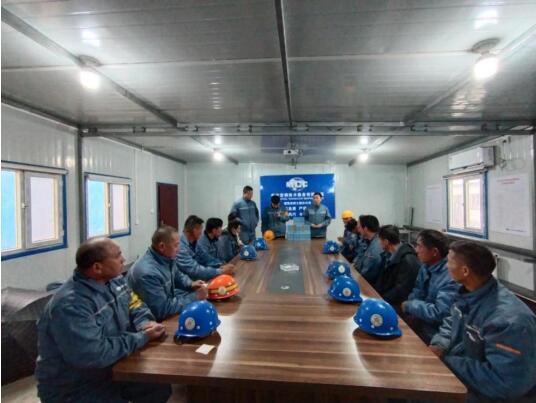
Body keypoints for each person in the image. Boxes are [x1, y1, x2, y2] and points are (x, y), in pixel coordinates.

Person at [35, 238, 171, 403]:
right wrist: (142, 337)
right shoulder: (71, 306)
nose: (123, 260)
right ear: (97, 268)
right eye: (117, 256)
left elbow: (134, 304)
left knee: (158, 387)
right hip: (75, 388)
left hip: (110, 369)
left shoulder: (115, 280)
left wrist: (144, 323)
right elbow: (94, 354)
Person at [429, 241, 536, 402]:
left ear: (465, 271)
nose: (445, 266)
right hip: (464, 374)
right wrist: (440, 344)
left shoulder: (509, 321)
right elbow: (452, 321)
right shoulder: (467, 293)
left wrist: (448, 361)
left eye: (449, 262)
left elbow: (504, 383)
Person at [128, 226, 208, 322]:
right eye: (176, 245)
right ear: (162, 246)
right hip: (153, 322)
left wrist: (190, 284)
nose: (179, 249)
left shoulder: (166, 257)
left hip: (167, 308)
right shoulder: (147, 273)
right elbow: (162, 310)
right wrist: (195, 297)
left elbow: (177, 275)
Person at [401, 230, 458, 342]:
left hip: (434, 333)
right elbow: (417, 290)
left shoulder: (450, 276)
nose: (416, 250)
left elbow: (439, 313)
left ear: (434, 252)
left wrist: (410, 306)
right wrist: (411, 310)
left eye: (419, 246)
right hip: (419, 322)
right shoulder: (426, 266)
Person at [177, 215, 235, 281]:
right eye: (200, 229)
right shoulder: (181, 247)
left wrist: (221, 265)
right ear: (194, 230)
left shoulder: (195, 242)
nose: (201, 232)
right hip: (190, 282)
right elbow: (195, 270)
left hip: (199, 278)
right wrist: (220, 271)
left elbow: (206, 258)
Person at [375, 225, 421, 305]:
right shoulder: (388, 254)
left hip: (396, 304)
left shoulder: (408, 260)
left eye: (380, 240)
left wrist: (381, 300)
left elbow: (401, 290)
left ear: (386, 242)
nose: (379, 243)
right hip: (384, 297)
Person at [354, 215, 384, 285]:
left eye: (359, 227)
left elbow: (367, 274)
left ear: (365, 229)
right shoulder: (368, 241)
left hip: (369, 285)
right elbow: (360, 260)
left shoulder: (376, 246)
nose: (358, 230)